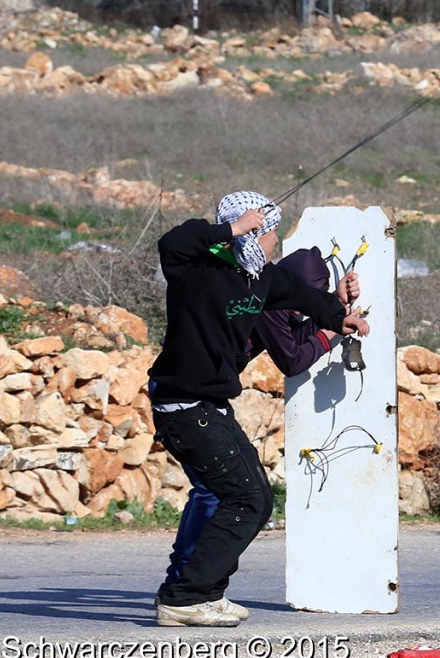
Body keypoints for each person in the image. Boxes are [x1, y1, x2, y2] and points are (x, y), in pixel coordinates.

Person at [148, 190, 369, 627]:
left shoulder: (261, 278)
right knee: (242, 498)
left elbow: (304, 298)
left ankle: (201, 593)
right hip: (183, 403)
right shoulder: (197, 269)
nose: (275, 243)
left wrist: (338, 315)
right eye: (271, 232)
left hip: (211, 403)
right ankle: (186, 596)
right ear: (255, 230)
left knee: (256, 498)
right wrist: (232, 229)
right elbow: (173, 241)